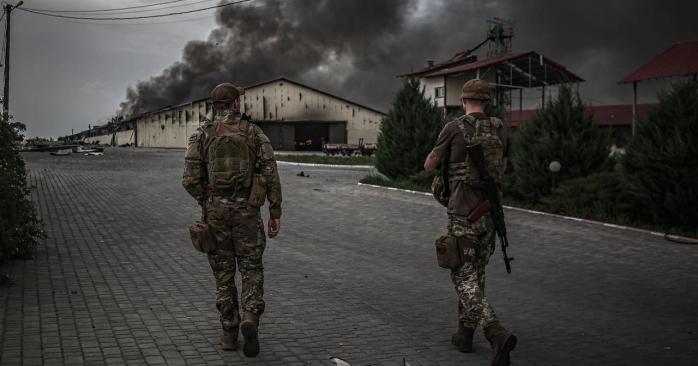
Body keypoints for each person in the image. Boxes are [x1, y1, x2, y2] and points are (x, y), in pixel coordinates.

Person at [182, 82, 282, 357]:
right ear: (236, 104)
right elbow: (271, 174)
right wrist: (275, 212)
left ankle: (229, 331)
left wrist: (207, 200)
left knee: (223, 274)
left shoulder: (201, 134)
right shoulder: (253, 133)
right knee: (251, 268)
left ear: (215, 106)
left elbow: (189, 180)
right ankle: (251, 316)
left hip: (215, 213)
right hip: (247, 213)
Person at [424, 78, 516, 366]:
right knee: (477, 276)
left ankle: (495, 333)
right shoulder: (500, 128)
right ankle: (464, 335)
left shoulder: (454, 127)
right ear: (487, 102)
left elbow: (429, 165)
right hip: (490, 214)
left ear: (464, 101)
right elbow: (504, 166)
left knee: (463, 278)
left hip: (463, 214)